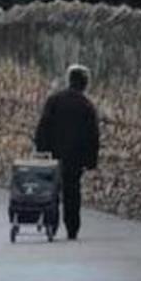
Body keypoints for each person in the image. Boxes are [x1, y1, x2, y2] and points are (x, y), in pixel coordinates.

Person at [34, 65, 100, 240]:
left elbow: (43, 127)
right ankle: (72, 228)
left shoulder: (54, 100)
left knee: (52, 191)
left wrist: (41, 150)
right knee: (72, 192)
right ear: (84, 84)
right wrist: (91, 161)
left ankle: (51, 225)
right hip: (75, 158)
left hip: (53, 155)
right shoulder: (86, 106)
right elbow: (93, 135)